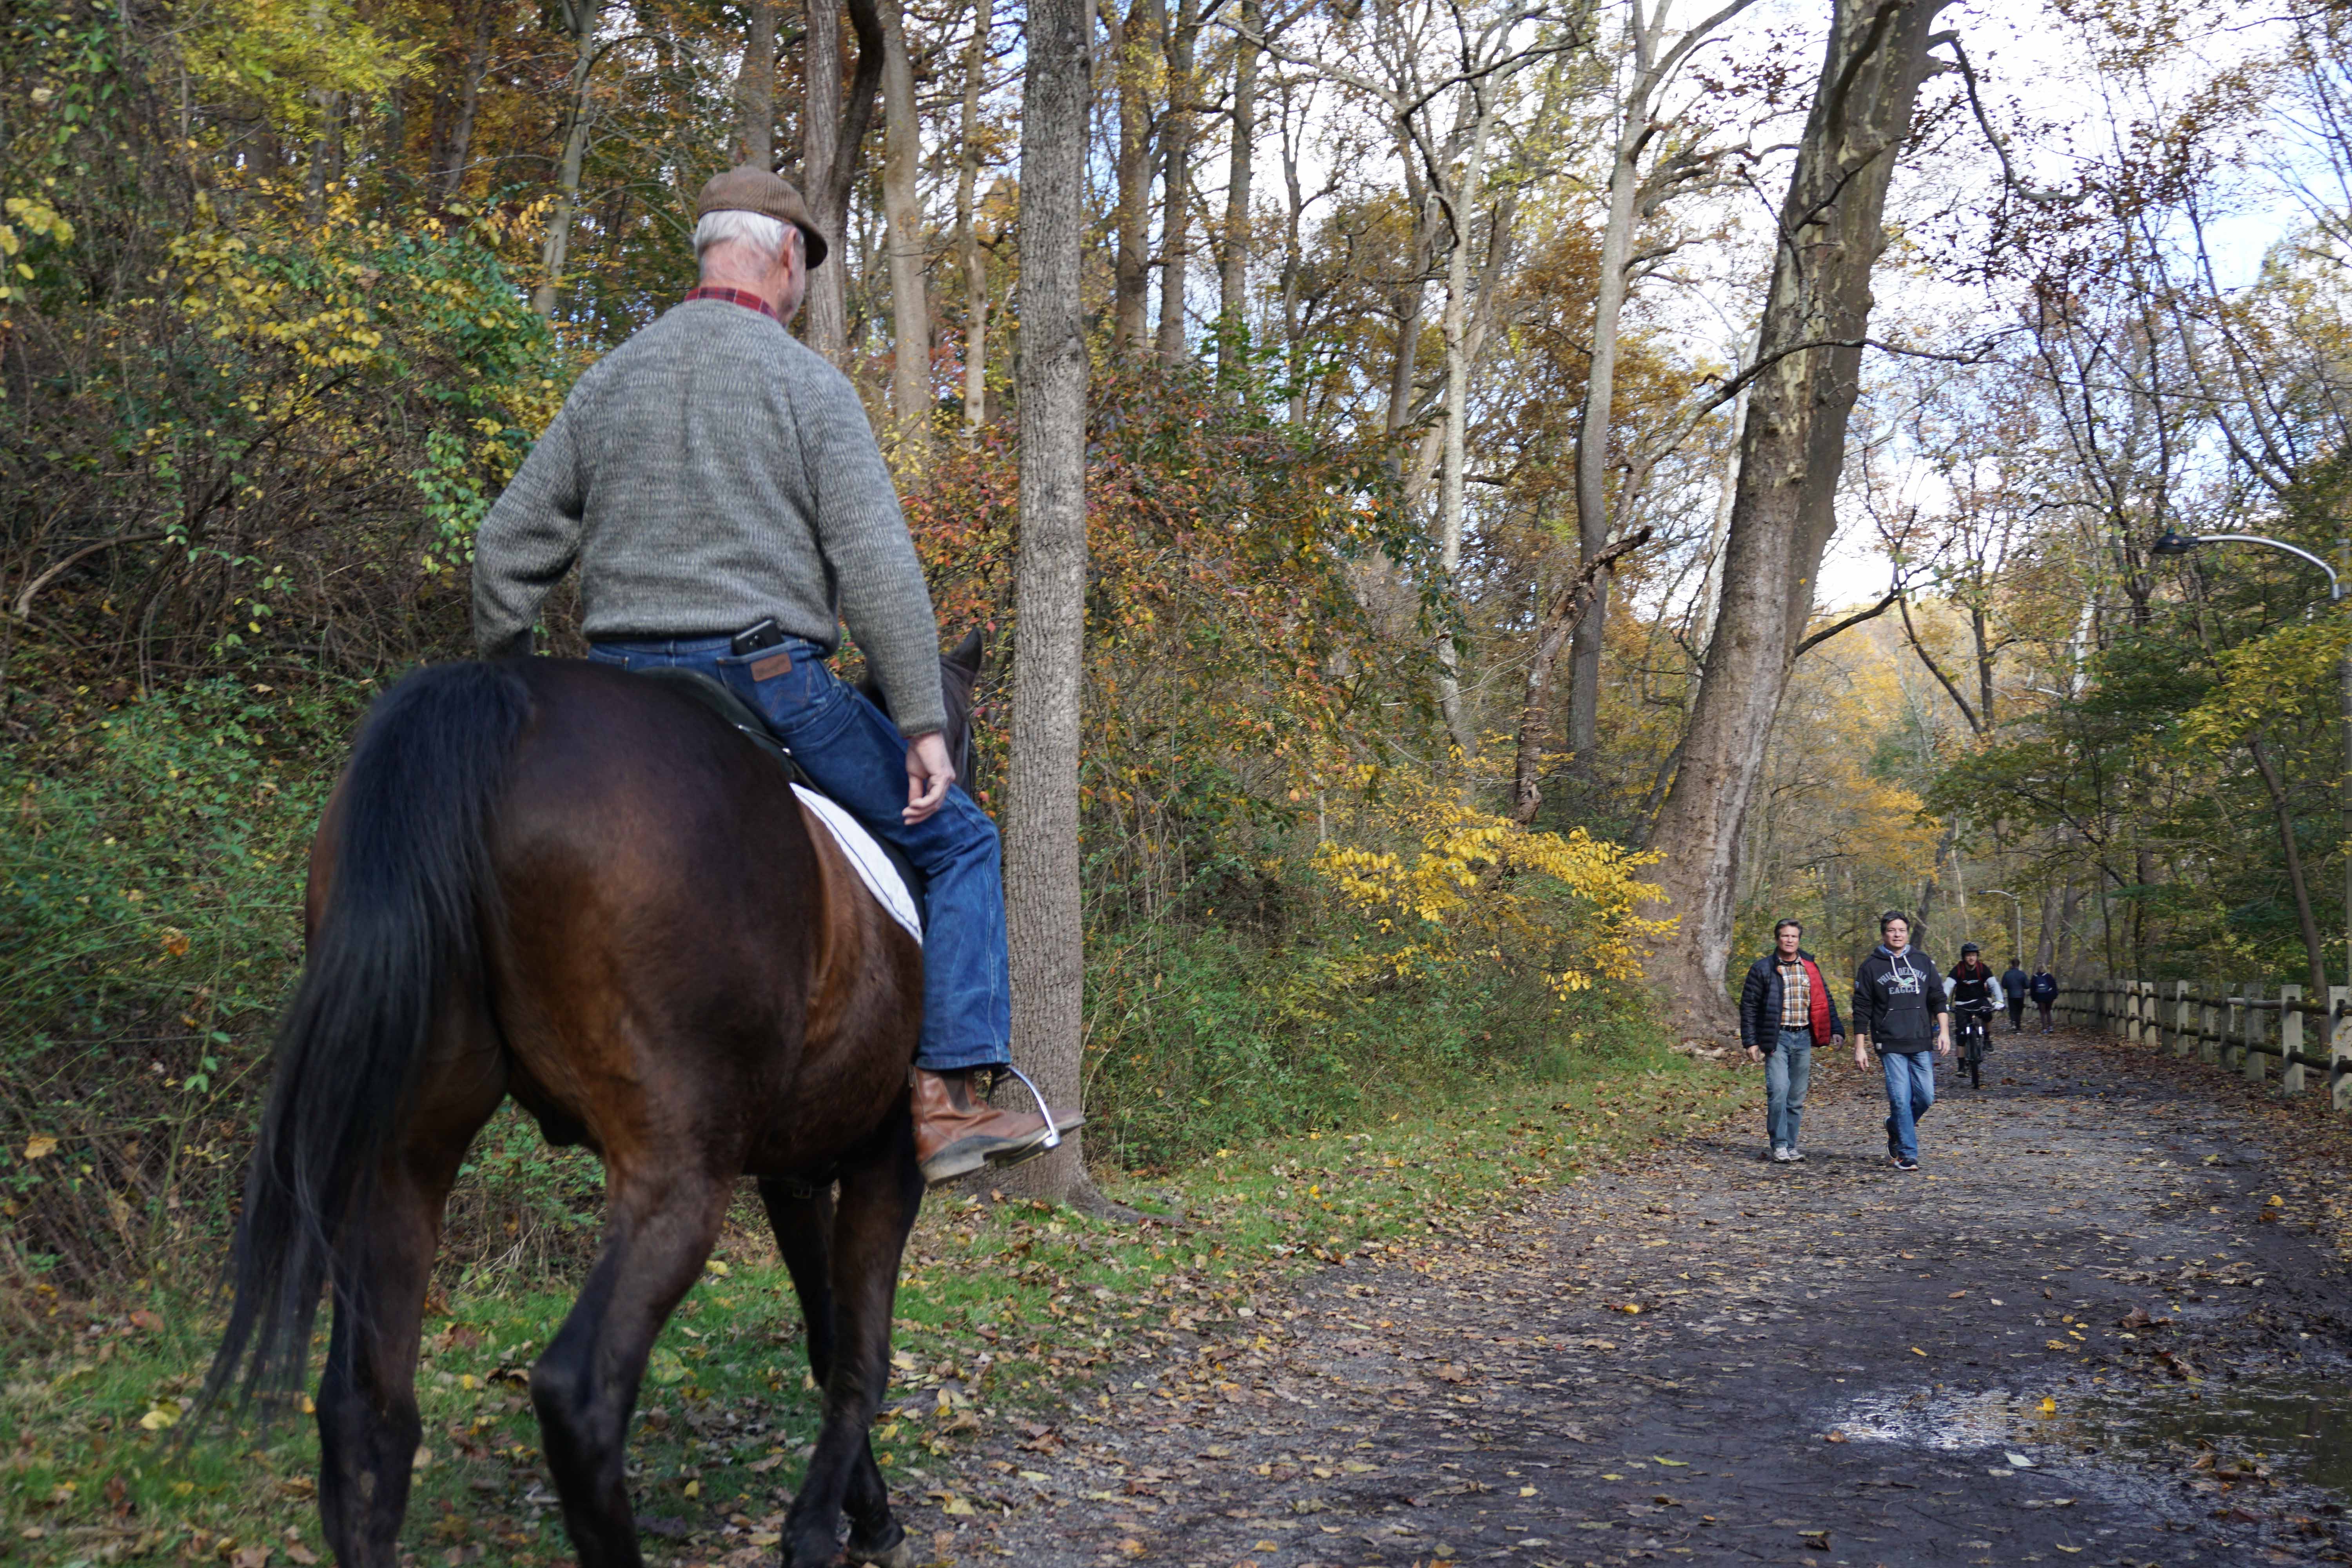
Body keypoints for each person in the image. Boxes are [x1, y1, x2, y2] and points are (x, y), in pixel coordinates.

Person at [471, 164, 1069, 1186]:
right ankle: (943, 1103)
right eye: (806, 269)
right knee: (962, 842)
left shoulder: (611, 378)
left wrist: (512, 693)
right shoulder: (808, 387)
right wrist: (924, 721)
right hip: (768, 683)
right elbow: (878, 569)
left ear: (710, 248)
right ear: (784, 258)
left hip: (612, 694)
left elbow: (502, 550)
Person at [1737, 920, 1846, 1163]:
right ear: (1777, 939)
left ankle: (1791, 1145)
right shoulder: (1763, 969)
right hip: (1777, 1038)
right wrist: (1750, 1042)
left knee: (1796, 1096)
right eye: (1785, 936)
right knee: (1778, 1091)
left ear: (1799, 940)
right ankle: (1779, 1145)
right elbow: (1749, 1007)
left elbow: (1825, 1000)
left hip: (1803, 1036)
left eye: (1794, 937)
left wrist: (1836, 1029)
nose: (1789, 940)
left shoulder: (1810, 967)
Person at [1851, 911, 1949, 1172]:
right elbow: (1861, 1008)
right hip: (1889, 1042)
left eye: (1902, 930)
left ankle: (1895, 1126)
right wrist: (1860, 1047)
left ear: (1908, 933)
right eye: (1892, 930)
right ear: (1884, 933)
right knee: (1900, 1099)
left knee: (1926, 1097)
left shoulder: (1922, 961)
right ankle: (1907, 1154)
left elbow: (1938, 998)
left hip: (1920, 1040)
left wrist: (1944, 1032)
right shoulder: (1871, 966)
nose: (1897, 935)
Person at [1945, 943, 2003, 1065]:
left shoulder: (1983, 968)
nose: (1971, 958)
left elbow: (1993, 984)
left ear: (1977, 956)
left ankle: (1987, 1039)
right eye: (1968, 956)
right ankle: (1961, 1066)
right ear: (1964, 957)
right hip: (1962, 1004)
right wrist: (1943, 1002)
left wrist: (2000, 1001)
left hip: (1979, 1001)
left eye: (1974, 955)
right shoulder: (1958, 970)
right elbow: (1948, 986)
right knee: (1961, 1035)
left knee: (1987, 1014)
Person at [2001, 956, 2029, 1033]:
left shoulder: (2007, 974)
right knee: (2019, 1011)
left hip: (2011, 995)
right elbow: (2027, 985)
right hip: (2020, 995)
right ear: (2019, 965)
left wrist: (2009, 987)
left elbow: (2004, 985)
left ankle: (2013, 1022)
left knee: (2013, 1010)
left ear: (2012, 965)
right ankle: (2018, 1027)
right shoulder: (2022, 974)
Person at [2029, 964, 2059, 1033]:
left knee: (2043, 1013)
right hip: (2049, 997)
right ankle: (2051, 1027)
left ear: (2038, 969)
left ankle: (2044, 1029)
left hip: (2040, 997)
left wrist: (2034, 1000)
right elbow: (2054, 987)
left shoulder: (2034, 977)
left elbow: (2032, 990)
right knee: (2048, 1011)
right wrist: (2055, 997)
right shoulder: (2049, 976)